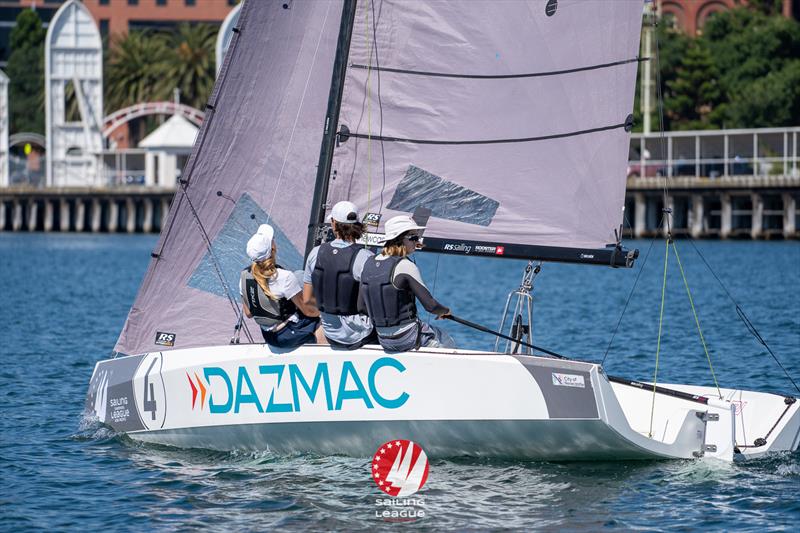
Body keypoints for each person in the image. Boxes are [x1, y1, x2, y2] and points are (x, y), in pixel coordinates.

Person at [358, 215, 454, 352]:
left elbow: (361, 307)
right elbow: (431, 306)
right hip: (408, 337)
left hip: (382, 339)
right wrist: (445, 311)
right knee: (445, 339)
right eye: (413, 238)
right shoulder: (405, 265)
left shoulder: (368, 263)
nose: (417, 242)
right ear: (399, 239)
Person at [303, 201, 377, 349]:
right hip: (360, 335)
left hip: (330, 333)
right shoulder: (366, 257)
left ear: (334, 224)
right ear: (357, 225)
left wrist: (329, 312)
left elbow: (306, 299)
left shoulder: (315, 253)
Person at [241, 224, 325, 349]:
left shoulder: (244, 277)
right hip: (287, 335)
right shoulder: (284, 277)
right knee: (325, 324)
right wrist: (325, 311)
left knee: (299, 276)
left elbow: (248, 313)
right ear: (273, 248)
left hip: (268, 336)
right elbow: (308, 311)